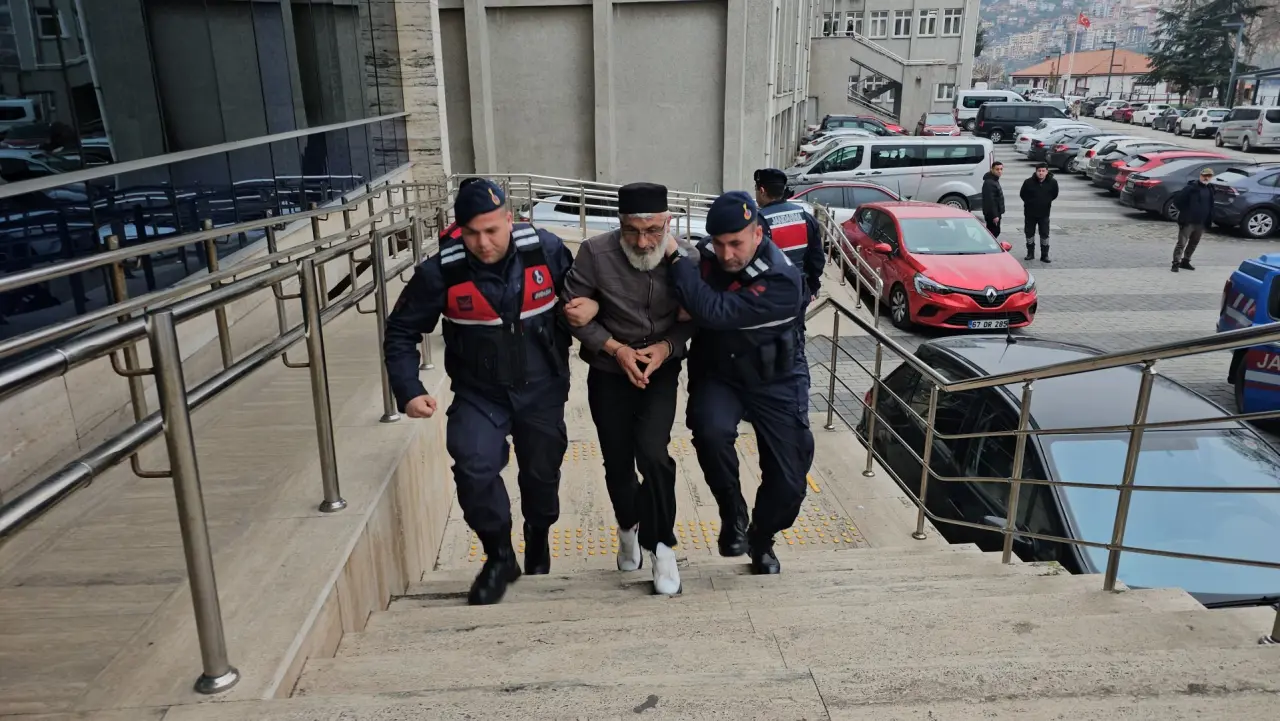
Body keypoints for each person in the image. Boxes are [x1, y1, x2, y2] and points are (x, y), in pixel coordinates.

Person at [383, 179, 574, 606]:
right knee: (473, 465)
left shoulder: (545, 251)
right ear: (459, 229)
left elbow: (584, 292)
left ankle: (538, 535)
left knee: (542, 475)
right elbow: (400, 331)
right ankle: (499, 555)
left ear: (509, 219)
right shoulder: (440, 272)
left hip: (542, 389)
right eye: (472, 233)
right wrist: (408, 389)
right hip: (479, 394)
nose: (483, 243)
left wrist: (588, 311)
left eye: (491, 230)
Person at [664, 191, 813, 575]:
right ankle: (733, 511)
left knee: (789, 481)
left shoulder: (781, 278)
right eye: (719, 243)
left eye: (736, 243)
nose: (726, 254)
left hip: (776, 378)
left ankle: (762, 537)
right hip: (721, 373)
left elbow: (713, 311)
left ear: (758, 234)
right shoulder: (706, 256)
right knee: (710, 432)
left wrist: (679, 265)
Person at [560, 182, 694, 595]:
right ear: (619, 224)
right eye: (632, 230)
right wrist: (615, 348)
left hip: (660, 369)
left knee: (653, 454)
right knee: (618, 463)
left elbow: (697, 315)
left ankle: (662, 545)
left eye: (652, 230)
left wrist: (666, 347)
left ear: (667, 223)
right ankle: (627, 527)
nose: (642, 241)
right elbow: (572, 312)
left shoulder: (687, 258)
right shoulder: (594, 253)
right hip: (609, 370)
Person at [753, 168, 824, 302]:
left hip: (769, 297)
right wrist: (811, 288)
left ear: (762, 191)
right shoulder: (806, 217)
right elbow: (817, 259)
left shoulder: (758, 222)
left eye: (756, 189)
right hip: (799, 293)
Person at [1169, 166, 1216, 273]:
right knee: (1181, 243)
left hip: (1201, 222)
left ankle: (1186, 261)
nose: (1206, 178)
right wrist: (1185, 212)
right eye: (1204, 176)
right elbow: (1178, 200)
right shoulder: (1191, 188)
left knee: (1194, 243)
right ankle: (1175, 263)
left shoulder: (1210, 189)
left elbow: (1211, 205)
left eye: (1209, 176)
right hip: (1188, 221)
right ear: (1200, 176)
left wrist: (1210, 218)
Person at [1019, 162, 1059, 263]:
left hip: (1044, 213)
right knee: (1029, 233)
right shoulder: (1028, 182)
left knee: (1044, 234)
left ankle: (1044, 255)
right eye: (1039, 171)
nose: (1041, 173)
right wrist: (1030, 203)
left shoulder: (1053, 182)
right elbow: (1022, 194)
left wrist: (1046, 201)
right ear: (1036, 171)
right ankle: (1030, 253)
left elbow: (1054, 194)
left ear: (1047, 172)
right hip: (1030, 213)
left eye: (1043, 171)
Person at [981, 161, 1005, 238]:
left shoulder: (994, 180)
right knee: (993, 233)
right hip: (992, 214)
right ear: (992, 169)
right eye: (997, 169)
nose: (999, 171)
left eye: (1001, 169)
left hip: (995, 212)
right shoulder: (989, 183)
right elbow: (990, 201)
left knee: (994, 232)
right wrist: (995, 215)